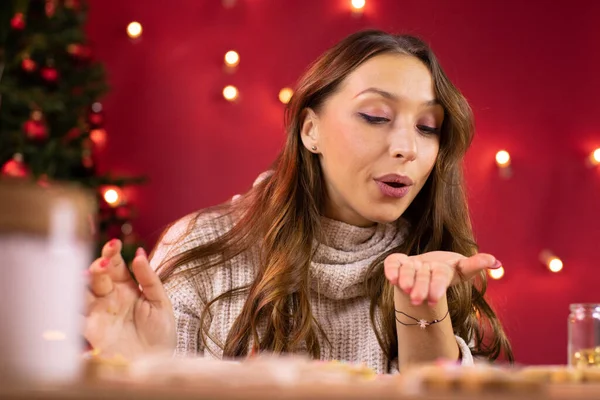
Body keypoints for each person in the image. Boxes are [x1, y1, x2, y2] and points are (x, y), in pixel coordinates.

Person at [84, 29, 513, 374]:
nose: (408, 147)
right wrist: (137, 370)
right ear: (311, 130)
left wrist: (424, 315)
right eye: (376, 117)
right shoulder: (205, 247)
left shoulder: (432, 264)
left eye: (427, 126)